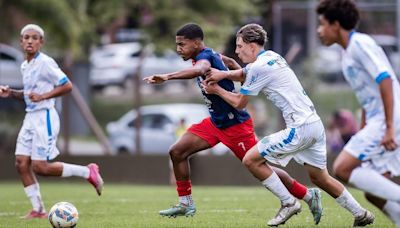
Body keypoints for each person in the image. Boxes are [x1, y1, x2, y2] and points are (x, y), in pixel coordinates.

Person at [143, 23, 323, 224]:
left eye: (182, 44)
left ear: (196, 43)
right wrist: (236, 70)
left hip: (235, 125)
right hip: (215, 123)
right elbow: (236, 68)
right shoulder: (211, 56)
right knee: (177, 151)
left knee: (262, 167)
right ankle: (186, 203)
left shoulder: (204, 59)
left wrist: (167, 76)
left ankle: (307, 195)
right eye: (177, 44)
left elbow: (201, 69)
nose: (178, 49)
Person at [203, 23, 374, 226]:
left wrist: (217, 90)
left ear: (252, 45)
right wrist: (224, 74)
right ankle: (361, 213)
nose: (238, 51)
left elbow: (240, 103)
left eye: (240, 46)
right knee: (320, 178)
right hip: (314, 124)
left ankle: (288, 202)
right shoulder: (271, 57)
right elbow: (246, 73)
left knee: (250, 160)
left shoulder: (258, 67)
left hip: (299, 128)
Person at [0, 24, 104, 219]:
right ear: (21, 41)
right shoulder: (25, 65)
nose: (30, 41)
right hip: (30, 117)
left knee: (41, 167)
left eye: (34, 37)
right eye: (26, 37)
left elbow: (67, 86)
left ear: (41, 42)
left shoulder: (46, 62)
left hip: (44, 117)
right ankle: (38, 210)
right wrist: (11, 93)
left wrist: (45, 96)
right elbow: (31, 94)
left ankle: (87, 172)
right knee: (21, 163)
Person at [317, 0, 400, 225]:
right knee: (374, 191)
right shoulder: (346, 54)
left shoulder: (360, 44)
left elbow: (385, 79)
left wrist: (390, 127)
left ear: (336, 25)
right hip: (379, 119)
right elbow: (367, 93)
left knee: (342, 168)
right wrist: (364, 127)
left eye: (322, 24)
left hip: (388, 118)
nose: (319, 30)